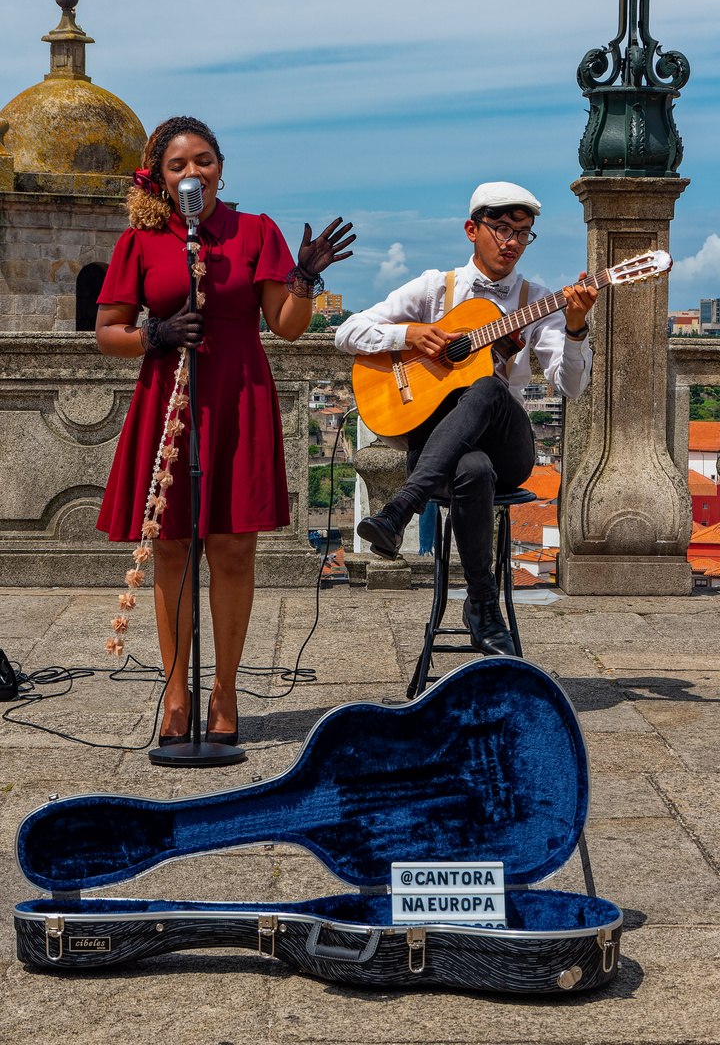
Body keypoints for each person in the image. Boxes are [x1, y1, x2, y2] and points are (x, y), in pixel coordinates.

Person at [96, 115, 354, 749]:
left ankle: (226, 692)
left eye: (204, 160)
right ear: (159, 178)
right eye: (178, 165)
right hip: (170, 399)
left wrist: (304, 277)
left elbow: (287, 326)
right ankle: (178, 692)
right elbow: (109, 332)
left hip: (238, 394)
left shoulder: (255, 232)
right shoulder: (142, 240)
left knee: (235, 548)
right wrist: (153, 334)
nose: (193, 172)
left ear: (221, 167)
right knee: (173, 548)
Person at [335, 181, 596, 655]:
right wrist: (410, 334)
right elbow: (347, 332)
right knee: (471, 469)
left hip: (508, 447)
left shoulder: (537, 301)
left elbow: (572, 386)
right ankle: (482, 606)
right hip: (446, 455)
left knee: (492, 386)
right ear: (472, 230)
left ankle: (401, 506)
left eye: (523, 232)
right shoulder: (437, 288)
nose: (512, 241)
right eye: (501, 229)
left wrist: (576, 329)